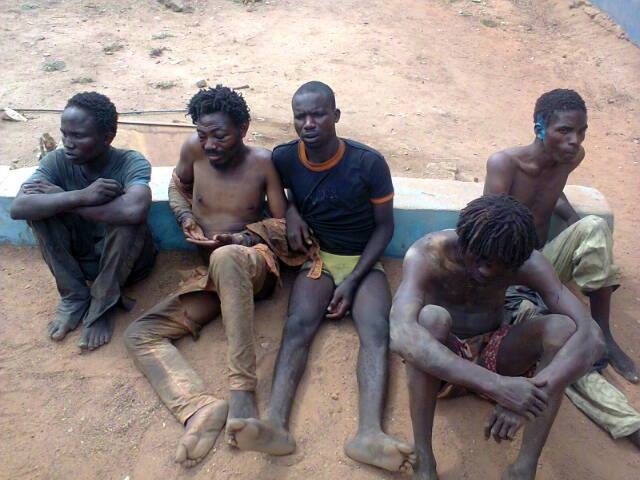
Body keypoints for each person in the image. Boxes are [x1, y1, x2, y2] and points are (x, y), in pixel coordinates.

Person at [226, 81, 415, 473]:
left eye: (318, 114)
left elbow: (385, 227)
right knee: (297, 326)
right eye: (301, 116)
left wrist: (353, 280)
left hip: (363, 259)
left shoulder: (368, 163)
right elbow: (282, 196)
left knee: (376, 332)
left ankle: (369, 433)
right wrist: (293, 213)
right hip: (317, 257)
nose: (308, 123)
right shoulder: (285, 157)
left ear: (336, 116)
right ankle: (276, 424)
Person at [123, 86, 296, 467]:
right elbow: (177, 187)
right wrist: (185, 216)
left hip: (253, 264)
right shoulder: (193, 150)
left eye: (220, 135)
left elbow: (280, 226)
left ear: (243, 129)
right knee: (140, 335)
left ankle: (242, 391)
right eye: (203, 135)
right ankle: (199, 408)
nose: (210, 144)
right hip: (212, 276)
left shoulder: (263, 163)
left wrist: (240, 239)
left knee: (228, 256)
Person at [391, 194, 605, 480]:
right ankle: (424, 459)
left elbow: (592, 337)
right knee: (431, 319)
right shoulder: (428, 255)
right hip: (442, 363)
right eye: (478, 258)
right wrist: (497, 386)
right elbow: (402, 335)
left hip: (495, 353)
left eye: (498, 265)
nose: (485, 270)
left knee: (562, 328)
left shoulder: (526, 262)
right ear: (464, 240)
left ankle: (524, 468)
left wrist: (533, 394)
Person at [484, 88, 640, 446]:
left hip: (544, 260)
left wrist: (570, 218)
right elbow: (488, 233)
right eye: (565, 131)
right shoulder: (504, 165)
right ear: (539, 128)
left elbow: (550, 188)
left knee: (593, 227)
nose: (575, 141)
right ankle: (628, 422)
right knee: (563, 345)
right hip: (510, 277)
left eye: (581, 132)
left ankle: (604, 332)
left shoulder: (571, 157)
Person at [10, 91, 156, 351]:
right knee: (40, 213)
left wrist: (67, 200)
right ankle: (74, 296)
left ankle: (102, 305)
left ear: (108, 136)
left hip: (128, 265)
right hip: (82, 262)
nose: (68, 143)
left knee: (126, 222)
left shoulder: (130, 162)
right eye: (64, 134)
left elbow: (134, 210)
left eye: (78, 136)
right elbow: (19, 207)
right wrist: (81, 196)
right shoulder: (56, 161)